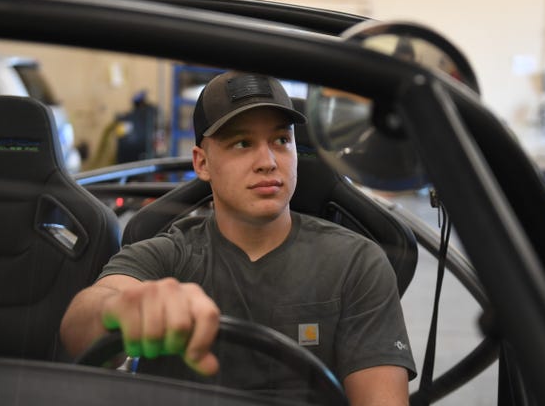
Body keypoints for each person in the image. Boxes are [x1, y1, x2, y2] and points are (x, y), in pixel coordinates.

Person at [60, 71, 416, 405]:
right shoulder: (170, 256)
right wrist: (119, 310)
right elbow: (80, 328)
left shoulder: (356, 263)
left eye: (280, 140)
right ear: (202, 164)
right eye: (242, 143)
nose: (268, 161)